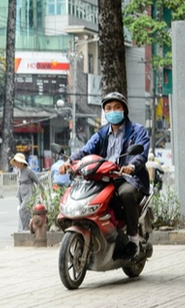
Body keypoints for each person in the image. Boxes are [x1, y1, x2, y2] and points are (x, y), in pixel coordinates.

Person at [60, 92, 150, 258]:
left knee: (126, 193)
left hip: (129, 178)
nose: (112, 111)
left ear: (124, 110)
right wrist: (69, 162)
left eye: (117, 107)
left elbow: (141, 154)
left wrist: (131, 166)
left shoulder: (138, 131)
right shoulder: (101, 134)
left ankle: (133, 239)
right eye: (108, 108)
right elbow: (85, 151)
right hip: (104, 178)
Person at [11, 153, 42, 231]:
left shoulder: (28, 171)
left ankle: (26, 229)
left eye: (17, 162)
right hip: (21, 193)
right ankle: (21, 229)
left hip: (29, 192)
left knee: (23, 210)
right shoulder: (19, 171)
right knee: (22, 212)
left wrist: (43, 191)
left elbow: (37, 181)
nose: (16, 164)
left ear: (21, 163)